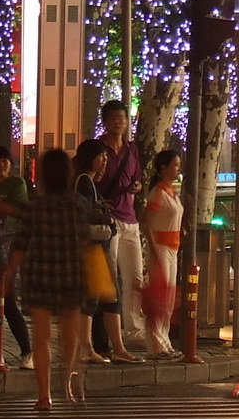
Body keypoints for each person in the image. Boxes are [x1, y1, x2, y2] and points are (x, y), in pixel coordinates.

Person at [4, 148, 89, 408]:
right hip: (71, 275)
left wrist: (8, 273)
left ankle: (44, 395)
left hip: (39, 276)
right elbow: (84, 242)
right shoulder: (78, 205)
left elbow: (21, 244)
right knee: (70, 334)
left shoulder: (35, 207)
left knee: (41, 336)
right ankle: (67, 381)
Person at [74, 139, 140, 365]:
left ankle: (115, 347)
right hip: (92, 246)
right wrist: (107, 218)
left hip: (98, 246)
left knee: (110, 296)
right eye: (101, 156)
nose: (105, 161)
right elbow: (84, 213)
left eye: (106, 156)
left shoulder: (90, 183)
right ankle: (88, 347)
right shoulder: (84, 182)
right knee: (94, 298)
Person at [96, 100, 146, 347]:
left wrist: (137, 186)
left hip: (130, 219)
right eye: (115, 118)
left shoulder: (131, 149)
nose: (120, 122)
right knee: (110, 279)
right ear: (106, 121)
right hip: (109, 219)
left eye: (123, 118)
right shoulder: (99, 149)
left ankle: (134, 332)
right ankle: (106, 334)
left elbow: (138, 178)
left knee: (135, 278)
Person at [0, 146, 33, 366]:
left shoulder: (16, 184)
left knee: (7, 301)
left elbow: (15, 210)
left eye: (5, 161)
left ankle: (26, 352)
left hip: (12, 247)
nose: (1, 165)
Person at [140, 148, 183, 360]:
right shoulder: (158, 192)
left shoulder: (172, 192)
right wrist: (155, 249)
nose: (178, 169)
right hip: (161, 248)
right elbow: (146, 221)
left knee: (168, 299)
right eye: (175, 165)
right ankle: (156, 344)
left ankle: (164, 341)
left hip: (173, 248)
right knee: (159, 297)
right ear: (163, 168)